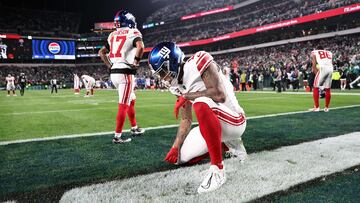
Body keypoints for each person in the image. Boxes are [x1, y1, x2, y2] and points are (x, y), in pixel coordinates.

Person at [148, 42, 247, 194]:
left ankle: (218, 170)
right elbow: (186, 119)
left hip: (235, 120)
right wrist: (175, 147)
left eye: (162, 72)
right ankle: (227, 145)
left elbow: (219, 95)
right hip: (214, 121)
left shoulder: (199, 60)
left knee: (200, 103)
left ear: (172, 63)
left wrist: (187, 96)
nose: (162, 78)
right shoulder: (175, 86)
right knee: (181, 158)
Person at [98, 10, 145, 143]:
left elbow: (101, 53)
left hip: (115, 73)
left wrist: (110, 66)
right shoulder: (133, 32)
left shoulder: (112, 34)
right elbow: (140, 47)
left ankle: (134, 127)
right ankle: (117, 136)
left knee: (131, 99)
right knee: (123, 105)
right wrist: (136, 62)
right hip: (125, 73)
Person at [309, 46, 334, 112]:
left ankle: (317, 107)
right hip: (330, 69)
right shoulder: (329, 52)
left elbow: (314, 65)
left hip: (322, 69)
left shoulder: (314, 52)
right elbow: (330, 62)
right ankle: (326, 108)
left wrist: (317, 74)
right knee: (328, 89)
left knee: (315, 87)